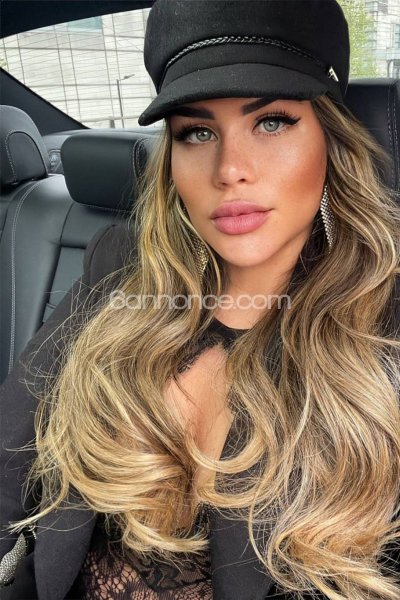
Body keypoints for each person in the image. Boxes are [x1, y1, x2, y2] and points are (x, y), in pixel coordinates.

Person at [1, 1, 399, 599]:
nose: (229, 169)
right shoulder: (120, 273)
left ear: (331, 141)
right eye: (197, 132)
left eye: (272, 122)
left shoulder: (384, 317)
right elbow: (8, 451)